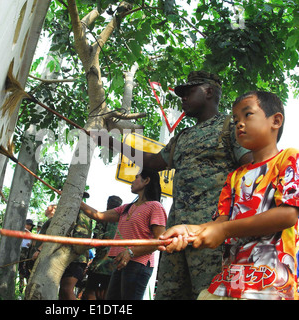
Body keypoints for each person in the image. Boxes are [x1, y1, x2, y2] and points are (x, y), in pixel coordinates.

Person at [91, 71, 252, 299]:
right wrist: (110, 142)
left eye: (188, 92)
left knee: (210, 294)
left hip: (212, 235)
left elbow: (254, 172)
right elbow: (152, 161)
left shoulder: (231, 127)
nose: (182, 98)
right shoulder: (183, 137)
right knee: (169, 294)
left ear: (208, 91)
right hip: (175, 235)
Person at [160, 91, 299, 299]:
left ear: (276, 120)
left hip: (271, 284)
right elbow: (218, 224)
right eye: (235, 120)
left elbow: (288, 215)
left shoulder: (289, 159)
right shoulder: (234, 177)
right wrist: (188, 231)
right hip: (231, 282)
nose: (239, 124)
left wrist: (225, 230)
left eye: (247, 115)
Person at [80, 168, 167, 300]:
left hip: (139, 264)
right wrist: (77, 201)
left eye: (136, 177)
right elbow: (98, 215)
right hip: (120, 263)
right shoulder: (127, 207)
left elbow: (160, 241)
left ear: (146, 181)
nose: (132, 181)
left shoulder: (155, 207)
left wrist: (131, 252)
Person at [81, 195, 123, 300]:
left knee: (90, 291)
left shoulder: (104, 218)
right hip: (115, 264)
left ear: (108, 204)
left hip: (100, 263)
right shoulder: (124, 221)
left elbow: (97, 238)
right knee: (105, 293)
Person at [59, 192, 93, 300]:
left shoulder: (77, 212)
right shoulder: (83, 213)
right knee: (63, 290)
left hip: (76, 257)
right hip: (73, 256)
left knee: (66, 289)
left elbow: (80, 236)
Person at [18, 219, 34, 291]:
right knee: (19, 272)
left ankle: (23, 290)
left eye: (30, 225)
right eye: (27, 224)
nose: (29, 226)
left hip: (26, 255)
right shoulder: (20, 232)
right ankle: (20, 288)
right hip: (18, 253)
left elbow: (33, 243)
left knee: (24, 272)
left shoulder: (30, 235)